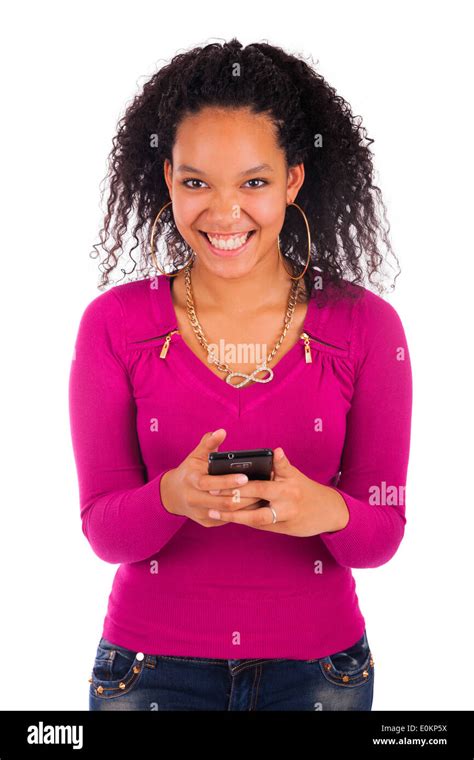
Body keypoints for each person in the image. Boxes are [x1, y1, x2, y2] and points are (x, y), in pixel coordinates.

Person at [68, 38, 412, 711]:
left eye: (254, 182)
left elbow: (384, 534)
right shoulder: (112, 325)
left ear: (293, 180)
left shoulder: (368, 328)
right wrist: (170, 495)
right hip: (148, 674)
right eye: (196, 181)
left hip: (319, 675)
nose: (224, 213)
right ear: (167, 177)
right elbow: (103, 529)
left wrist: (323, 508)